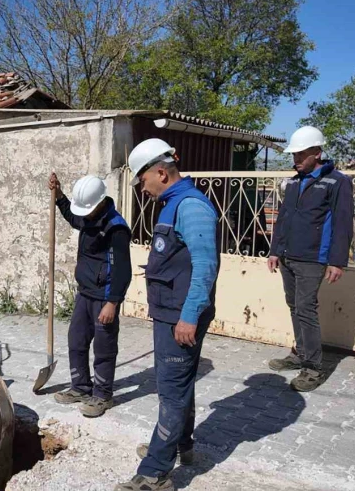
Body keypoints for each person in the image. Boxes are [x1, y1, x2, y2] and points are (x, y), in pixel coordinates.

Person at [116, 139, 219, 491]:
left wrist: (189, 316)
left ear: (161, 172)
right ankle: (181, 443)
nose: (142, 188)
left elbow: (205, 266)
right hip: (171, 312)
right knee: (179, 382)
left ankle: (155, 471)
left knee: (171, 389)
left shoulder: (191, 207)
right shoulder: (172, 204)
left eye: (143, 180)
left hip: (181, 316)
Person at [267, 125, 353, 392]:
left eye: (301, 155)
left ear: (317, 152)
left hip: (313, 258)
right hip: (287, 257)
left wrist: (337, 261)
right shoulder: (293, 182)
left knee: (305, 309)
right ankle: (300, 354)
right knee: (294, 305)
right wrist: (273, 250)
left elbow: (342, 223)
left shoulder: (337, 181)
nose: (296, 160)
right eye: (294, 155)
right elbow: (283, 220)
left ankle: (313, 368)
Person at [48, 172, 132, 418]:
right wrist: (59, 195)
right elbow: (74, 217)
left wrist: (112, 303)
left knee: (104, 348)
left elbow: (121, 270)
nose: (83, 214)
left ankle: (102, 395)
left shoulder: (116, 228)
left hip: (104, 298)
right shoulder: (89, 217)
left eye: (87, 209)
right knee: (76, 340)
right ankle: (81, 387)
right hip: (84, 293)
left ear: (99, 203)